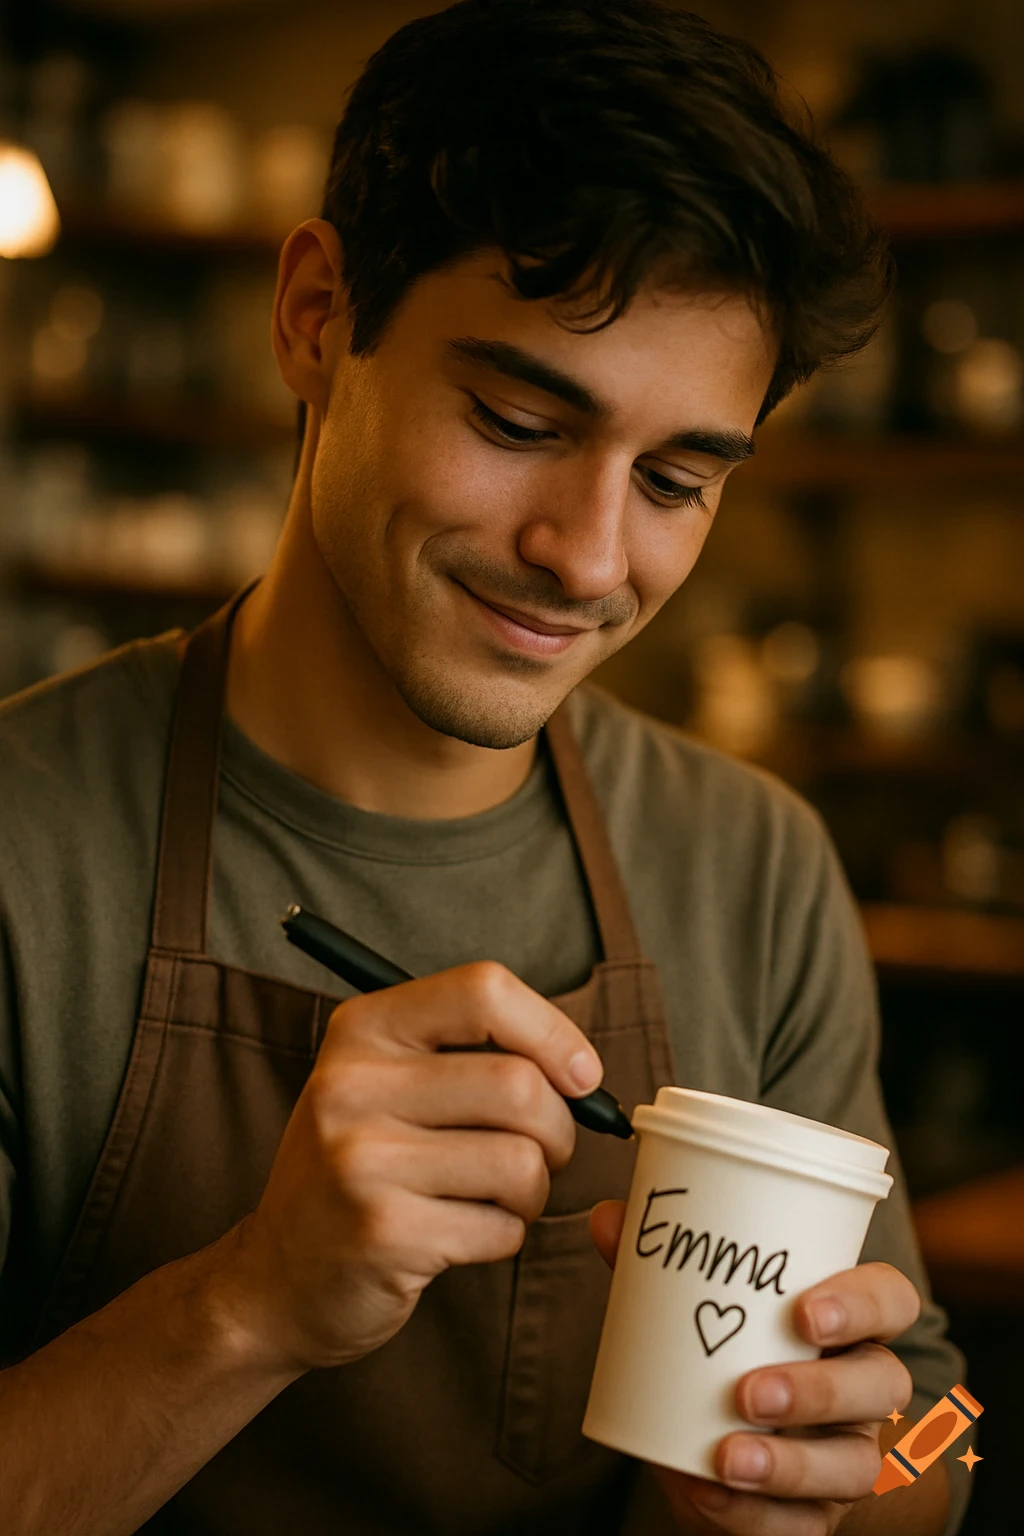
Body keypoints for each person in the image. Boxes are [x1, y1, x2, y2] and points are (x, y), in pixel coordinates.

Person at [0, 2, 969, 1533]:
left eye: (672, 482)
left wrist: (842, 1477)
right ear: (318, 315)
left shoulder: (754, 863)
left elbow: (952, 1422)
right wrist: (246, 1306)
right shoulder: (24, 852)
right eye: (518, 419)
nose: (586, 558)